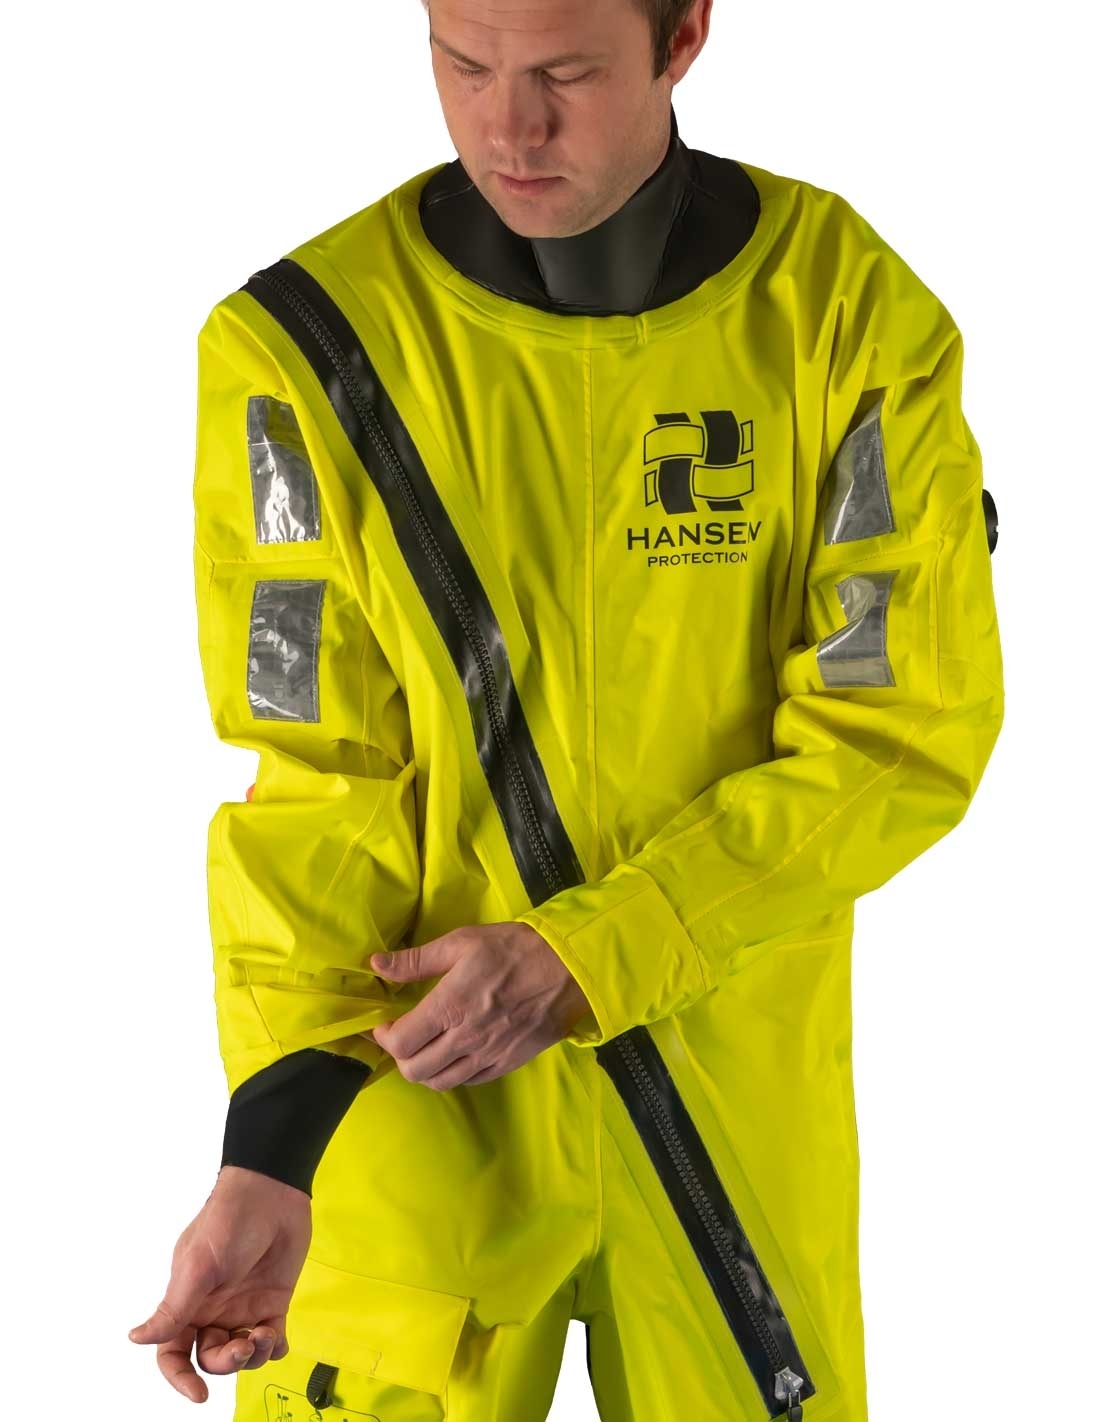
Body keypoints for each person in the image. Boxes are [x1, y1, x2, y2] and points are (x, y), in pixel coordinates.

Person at [127, 1, 1004, 1417]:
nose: (508, 127)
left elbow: (897, 728)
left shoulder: (844, 315)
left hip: (722, 1120)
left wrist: (592, 954)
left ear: (684, 33)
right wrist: (274, 1137)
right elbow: (319, 777)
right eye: (463, 64)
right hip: (415, 1100)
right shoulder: (307, 348)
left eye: (566, 73)